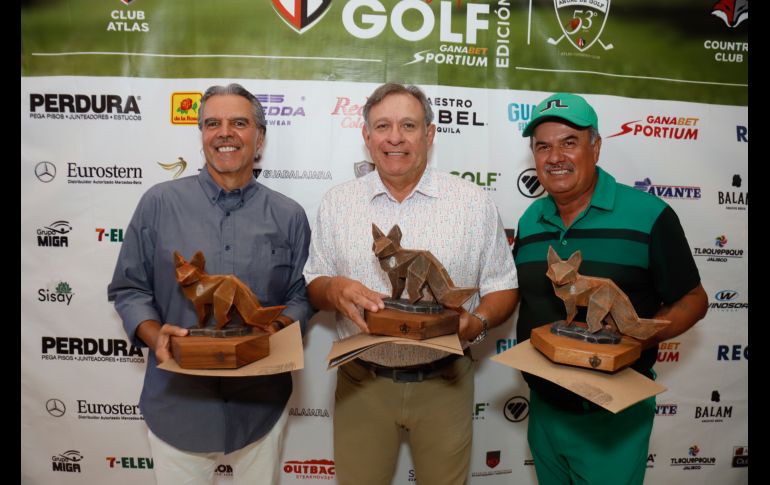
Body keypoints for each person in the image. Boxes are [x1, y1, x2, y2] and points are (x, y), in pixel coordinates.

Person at [303, 82, 519, 485]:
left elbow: (503, 285)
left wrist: (479, 323)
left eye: (408, 125)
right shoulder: (337, 202)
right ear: (367, 137)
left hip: (445, 383)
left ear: (430, 134)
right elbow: (314, 281)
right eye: (382, 126)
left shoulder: (473, 203)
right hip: (361, 384)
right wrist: (332, 290)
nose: (395, 138)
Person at [107, 83, 314, 485]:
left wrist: (278, 327)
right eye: (212, 123)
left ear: (259, 138)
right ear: (201, 135)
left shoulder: (289, 215)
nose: (225, 133)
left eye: (239, 122)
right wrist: (155, 336)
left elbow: (300, 295)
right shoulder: (159, 203)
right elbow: (129, 289)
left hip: (260, 407)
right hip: (177, 405)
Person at [513, 92, 708, 485]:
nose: (555, 157)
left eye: (570, 142)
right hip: (545, 408)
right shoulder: (531, 220)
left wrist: (636, 337)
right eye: (543, 146)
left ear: (596, 147)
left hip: (612, 415)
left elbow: (693, 300)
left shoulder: (648, 214)